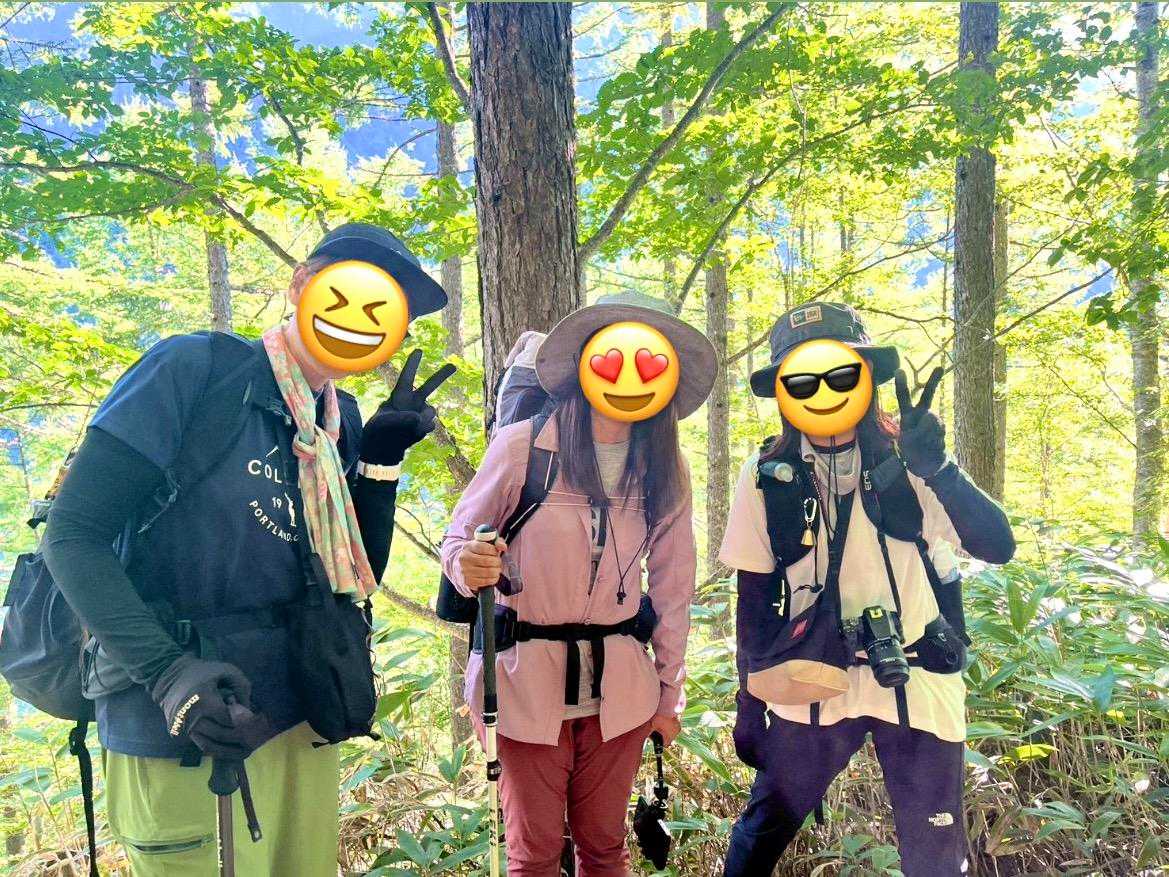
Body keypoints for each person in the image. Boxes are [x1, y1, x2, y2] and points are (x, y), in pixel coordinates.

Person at [42, 223, 453, 876]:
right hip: (186, 725)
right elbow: (72, 535)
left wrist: (378, 460)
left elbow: (352, 576)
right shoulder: (195, 372)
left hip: (302, 715)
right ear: (301, 284)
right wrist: (168, 675)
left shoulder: (335, 419)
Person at [720, 302, 1015, 877]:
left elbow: (996, 545)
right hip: (810, 672)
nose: (822, 392)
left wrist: (940, 469)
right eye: (801, 381)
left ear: (867, 377)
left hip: (916, 673)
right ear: (783, 392)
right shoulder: (766, 474)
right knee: (760, 837)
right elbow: (753, 593)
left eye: (840, 375)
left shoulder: (912, 457)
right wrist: (749, 701)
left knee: (934, 858)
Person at [440, 293, 716, 877]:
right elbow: (459, 541)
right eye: (614, 361)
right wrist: (469, 565)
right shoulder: (523, 447)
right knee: (534, 853)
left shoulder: (666, 467)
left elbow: (673, 587)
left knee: (604, 847)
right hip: (521, 683)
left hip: (622, 690)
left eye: (649, 365)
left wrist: (669, 694)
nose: (630, 378)